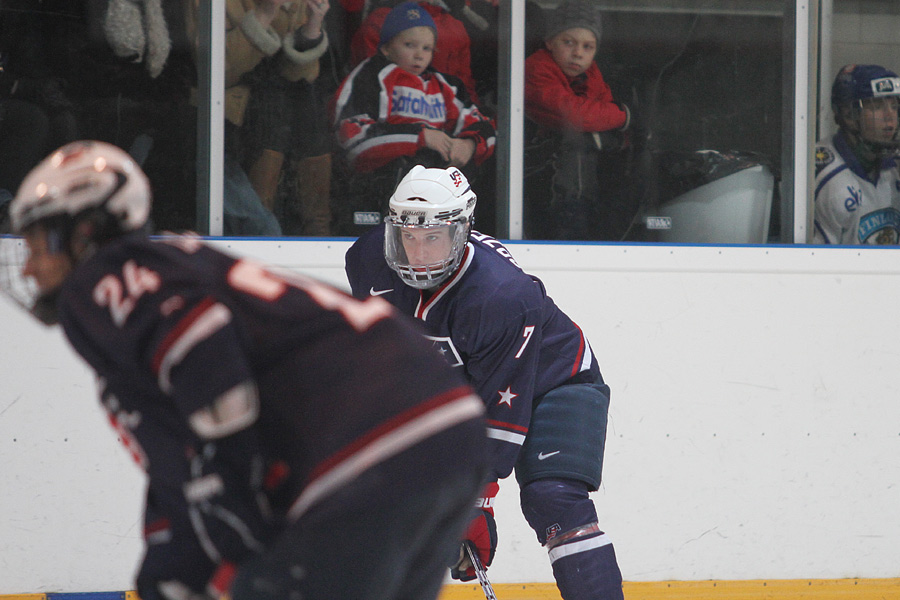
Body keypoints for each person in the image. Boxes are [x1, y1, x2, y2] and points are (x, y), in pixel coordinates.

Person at [5, 140, 488, 600]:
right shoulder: (170, 272)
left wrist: (231, 488)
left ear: (85, 233)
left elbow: (204, 350)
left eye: (38, 243)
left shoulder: (110, 273)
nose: (26, 270)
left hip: (370, 443)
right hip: (446, 429)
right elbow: (178, 466)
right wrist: (171, 571)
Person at [345, 165, 625, 600]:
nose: (418, 252)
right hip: (455, 392)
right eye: (409, 236)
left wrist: (474, 503)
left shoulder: (502, 296)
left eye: (433, 237)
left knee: (553, 498)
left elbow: (500, 412)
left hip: (556, 381)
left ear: (461, 232)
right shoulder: (367, 263)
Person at [331, 1, 496, 236]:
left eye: (427, 48)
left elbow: (484, 126)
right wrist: (421, 137)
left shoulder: (447, 85)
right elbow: (351, 139)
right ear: (386, 48)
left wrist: (469, 145)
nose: (419, 55)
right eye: (409, 45)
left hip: (434, 206)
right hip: (375, 198)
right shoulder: (370, 76)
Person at [523, 0, 633, 241]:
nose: (578, 53)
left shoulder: (592, 74)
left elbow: (605, 120)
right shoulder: (536, 67)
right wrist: (624, 115)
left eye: (588, 46)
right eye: (569, 42)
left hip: (582, 180)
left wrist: (609, 127)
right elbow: (576, 116)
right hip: (535, 171)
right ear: (550, 42)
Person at [236, 0, 336, 236]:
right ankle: (260, 233)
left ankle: (318, 236)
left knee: (307, 109)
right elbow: (222, 65)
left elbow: (301, 74)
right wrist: (264, 15)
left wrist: (312, 27)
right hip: (237, 107)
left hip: (288, 109)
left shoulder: (302, 5)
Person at [813, 64, 900, 244]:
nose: (889, 116)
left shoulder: (895, 168)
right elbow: (818, 266)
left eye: (893, 106)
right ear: (847, 115)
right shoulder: (829, 182)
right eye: (877, 106)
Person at [349, 0, 479, 102]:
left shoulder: (455, 26)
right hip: (395, 115)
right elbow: (368, 82)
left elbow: (465, 86)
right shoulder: (380, 20)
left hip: (446, 117)